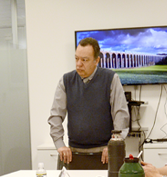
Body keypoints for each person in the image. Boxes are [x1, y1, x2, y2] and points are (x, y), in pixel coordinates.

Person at [48, 37, 129, 166]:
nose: (78, 64)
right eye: (76, 58)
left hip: (105, 154)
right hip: (73, 154)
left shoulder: (111, 78)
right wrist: (60, 144)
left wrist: (114, 145)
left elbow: (120, 113)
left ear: (97, 60)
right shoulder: (66, 81)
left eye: (84, 60)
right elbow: (56, 115)